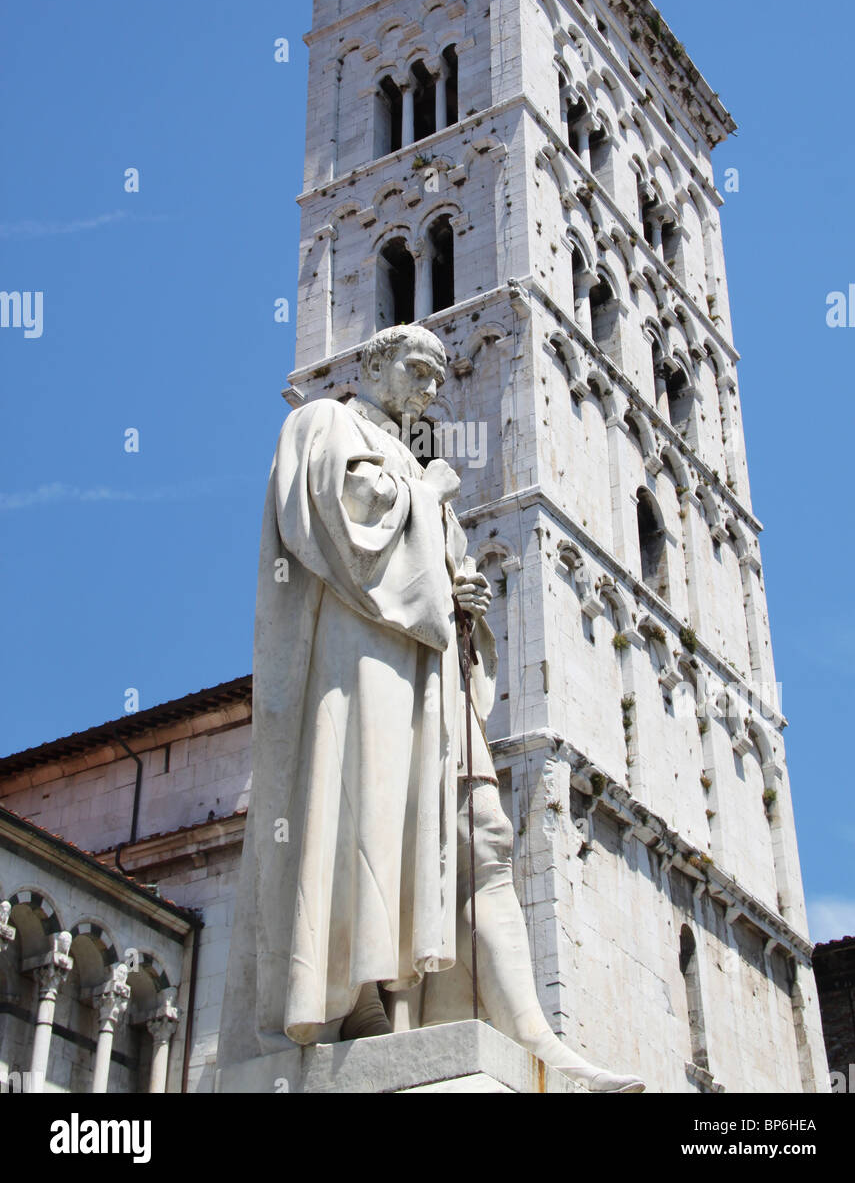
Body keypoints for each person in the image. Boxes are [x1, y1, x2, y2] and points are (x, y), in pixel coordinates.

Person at [219, 324, 644, 1092]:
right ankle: (353, 997)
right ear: (374, 363)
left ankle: (537, 1039)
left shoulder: (418, 471)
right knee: (367, 819)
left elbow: (436, 588)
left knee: (485, 837)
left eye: (440, 377)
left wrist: (467, 601)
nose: (430, 389)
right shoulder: (323, 424)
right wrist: (431, 495)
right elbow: (343, 525)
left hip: (437, 690)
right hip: (363, 674)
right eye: (418, 369)